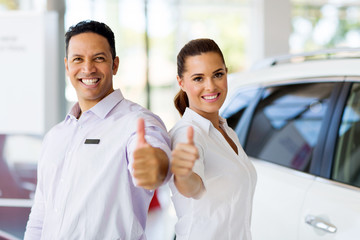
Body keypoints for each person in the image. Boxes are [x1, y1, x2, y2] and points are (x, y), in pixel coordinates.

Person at [24, 20, 171, 240]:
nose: (88, 68)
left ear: (115, 64)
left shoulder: (137, 122)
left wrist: (155, 165)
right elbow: (40, 216)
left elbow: (156, 158)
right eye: (78, 59)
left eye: (98, 58)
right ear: (67, 66)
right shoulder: (56, 135)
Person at [169, 38, 257, 239]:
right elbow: (192, 187)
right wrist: (183, 175)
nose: (211, 86)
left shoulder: (226, 130)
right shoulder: (187, 134)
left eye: (218, 74)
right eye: (198, 78)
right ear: (181, 82)